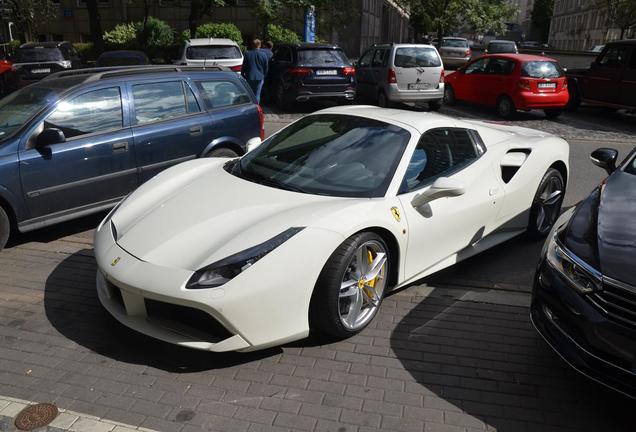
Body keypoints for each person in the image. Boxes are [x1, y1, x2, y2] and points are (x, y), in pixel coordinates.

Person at [241, 39, 269, 104]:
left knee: (249, 94)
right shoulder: (264, 55)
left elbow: (244, 66)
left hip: (249, 76)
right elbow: (266, 67)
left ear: (252, 45)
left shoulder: (247, 54)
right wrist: (264, 76)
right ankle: (256, 108)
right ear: (260, 45)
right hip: (260, 77)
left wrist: (243, 75)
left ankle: (249, 106)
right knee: (257, 94)